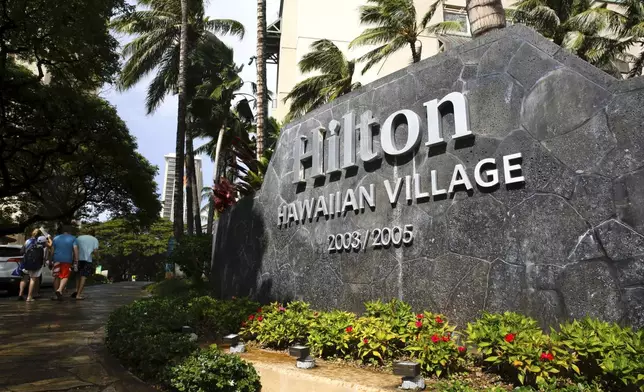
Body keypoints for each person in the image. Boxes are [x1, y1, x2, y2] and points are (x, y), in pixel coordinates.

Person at [18, 229, 51, 302]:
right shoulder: (42, 241)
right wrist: (48, 237)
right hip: (37, 263)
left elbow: (22, 251)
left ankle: (20, 294)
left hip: (26, 262)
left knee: (24, 278)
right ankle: (30, 296)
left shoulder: (27, 241)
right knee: (33, 279)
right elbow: (50, 246)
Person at [51, 225, 78, 301]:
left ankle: (56, 295)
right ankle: (59, 290)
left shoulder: (56, 238)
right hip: (67, 260)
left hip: (56, 259)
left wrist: (50, 259)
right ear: (70, 231)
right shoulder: (73, 238)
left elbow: (52, 250)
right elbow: (75, 249)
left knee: (56, 276)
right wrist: (76, 260)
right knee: (65, 276)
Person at [72, 228, 99, 300]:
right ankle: (78, 295)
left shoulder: (79, 238)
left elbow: (74, 247)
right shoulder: (94, 239)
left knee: (77, 275)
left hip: (77, 259)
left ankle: (76, 291)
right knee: (83, 276)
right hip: (87, 260)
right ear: (94, 233)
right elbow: (95, 251)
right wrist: (97, 258)